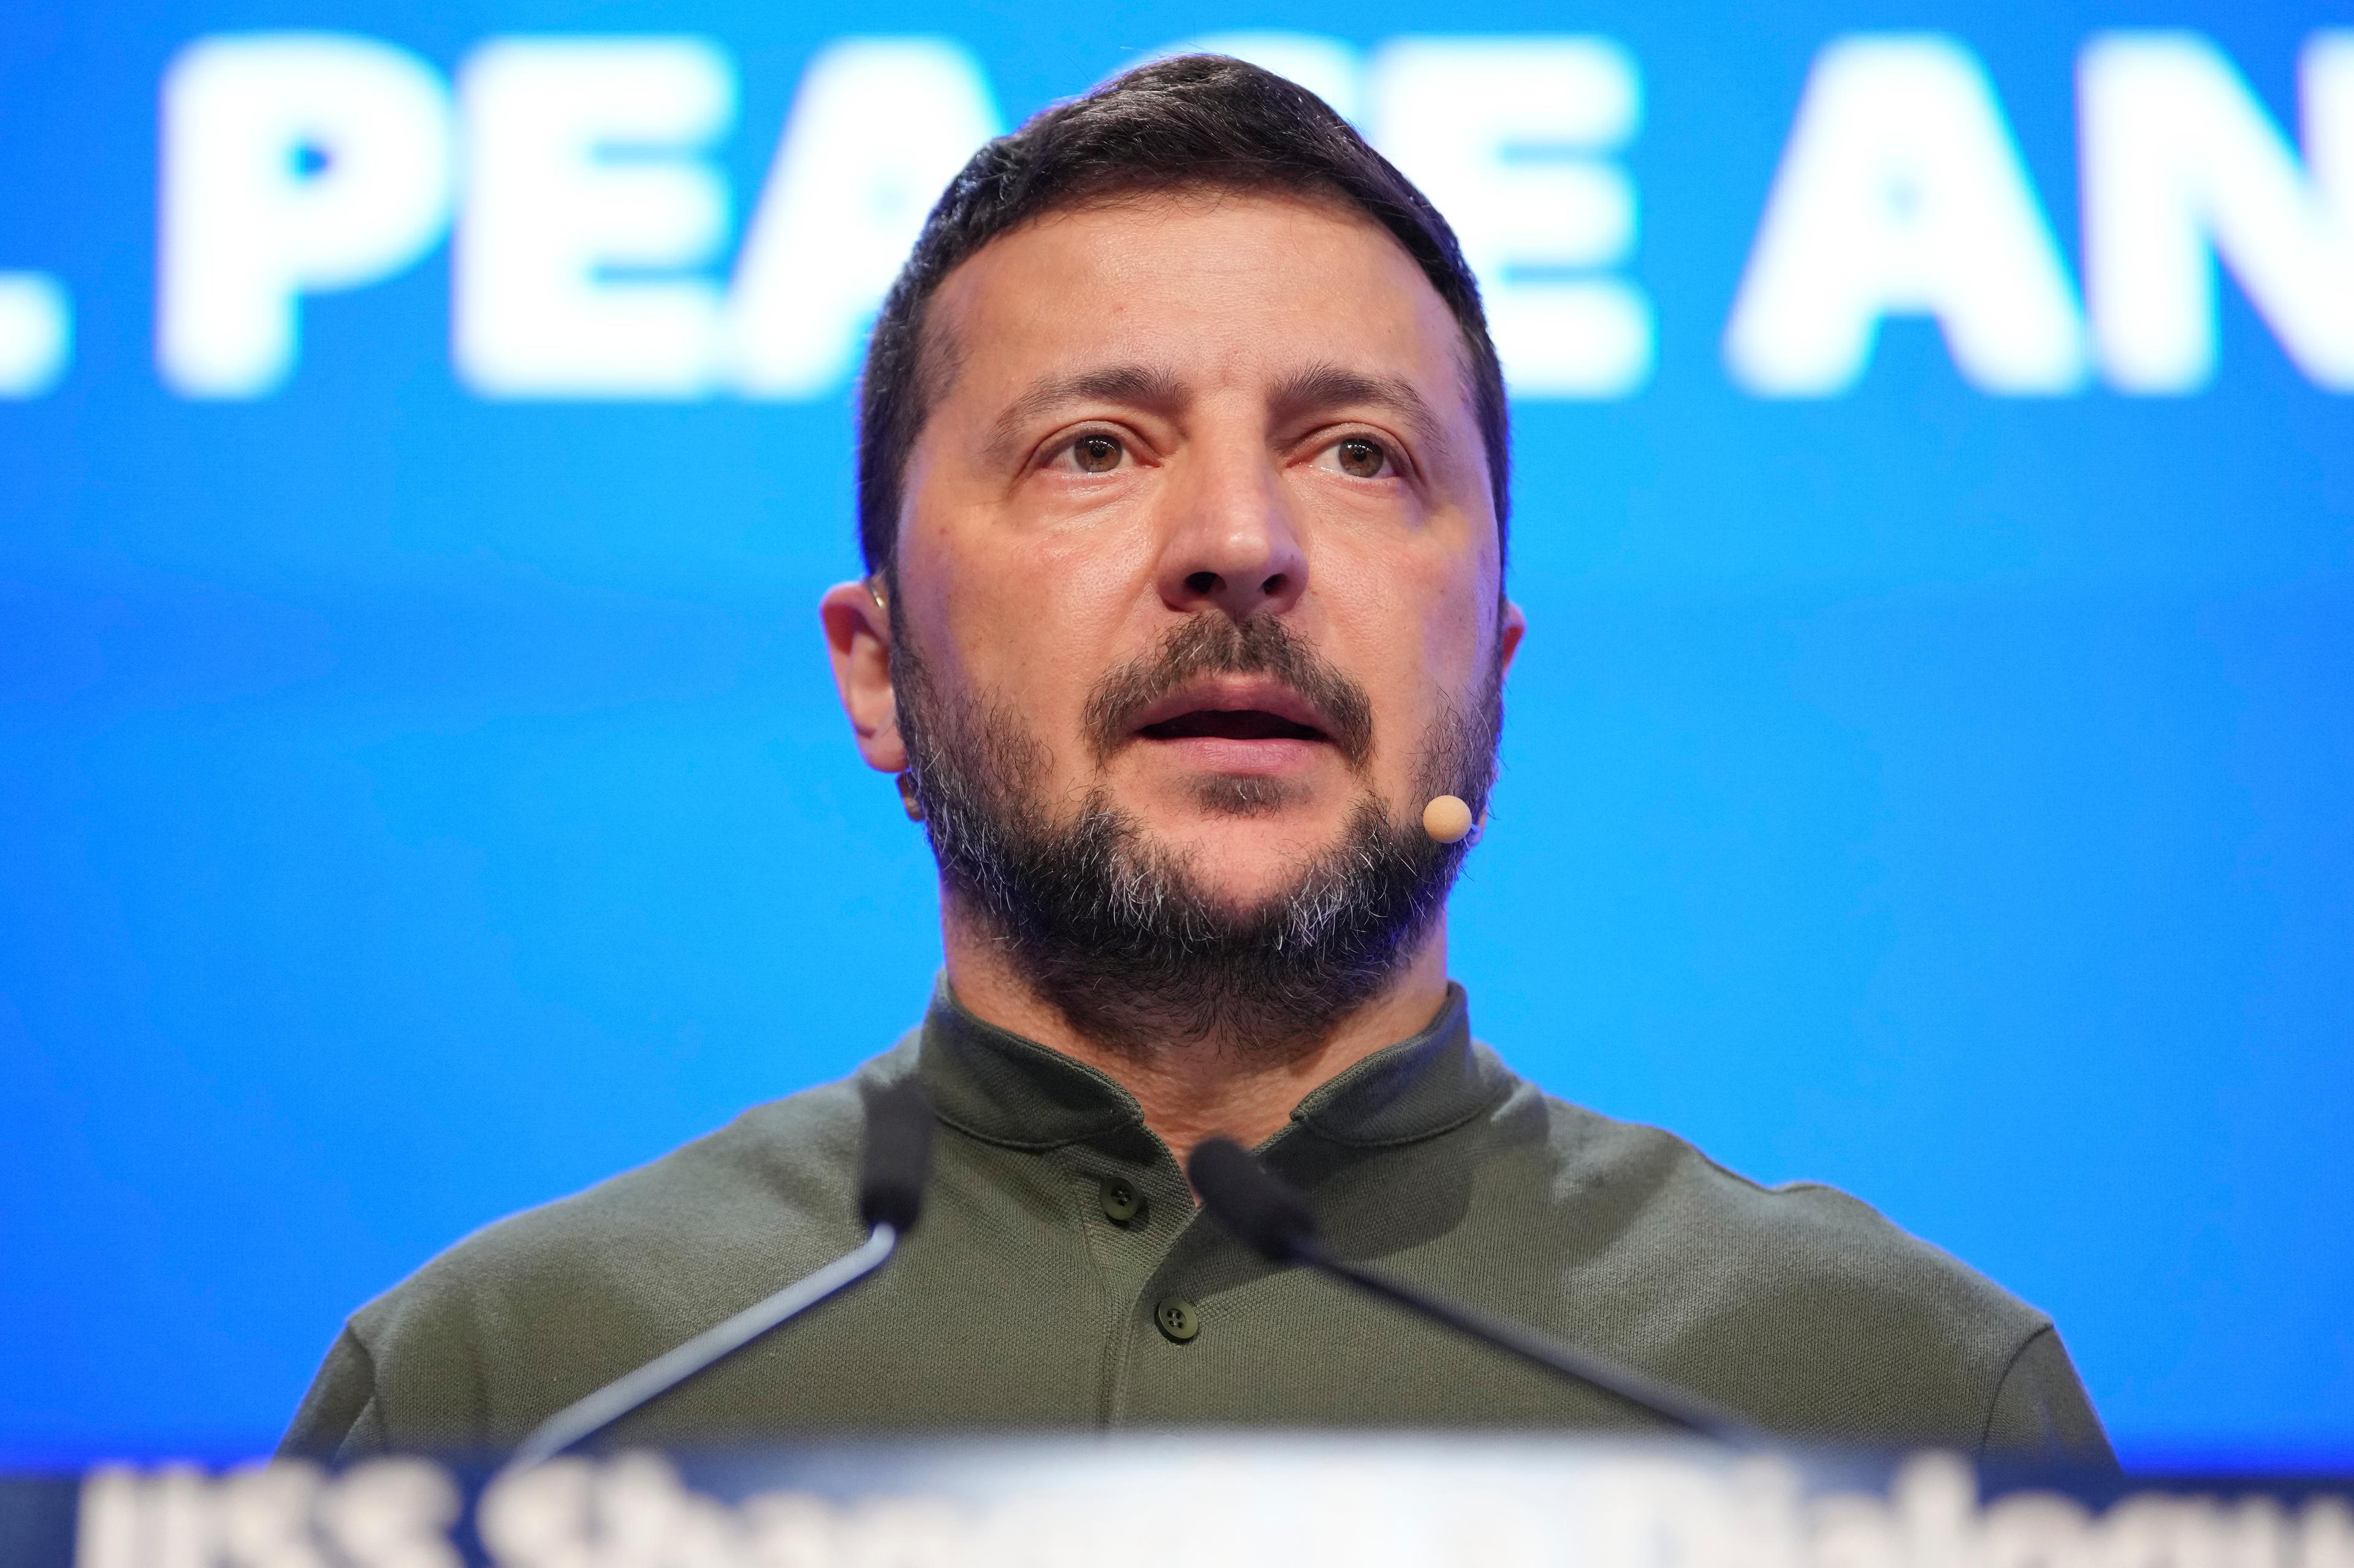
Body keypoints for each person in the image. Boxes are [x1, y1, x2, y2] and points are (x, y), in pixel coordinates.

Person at [284, 55, 2111, 1461]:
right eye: (1093, 447)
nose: (1241, 540)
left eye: (1358, 454)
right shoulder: (512, 1390)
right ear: (878, 674)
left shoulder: (1899, 1406)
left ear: (1493, 659)